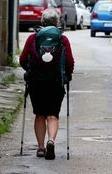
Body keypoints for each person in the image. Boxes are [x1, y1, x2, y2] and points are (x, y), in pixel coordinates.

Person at [19, 8, 74, 160]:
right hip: (56, 82)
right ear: (57, 23)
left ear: (42, 22)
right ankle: (51, 141)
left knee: (40, 114)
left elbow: (23, 59)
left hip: (36, 82)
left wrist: (30, 71)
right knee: (52, 115)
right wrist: (67, 76)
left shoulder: (33, 38)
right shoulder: (62, 40)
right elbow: (69, 61)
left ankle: (41, 147)